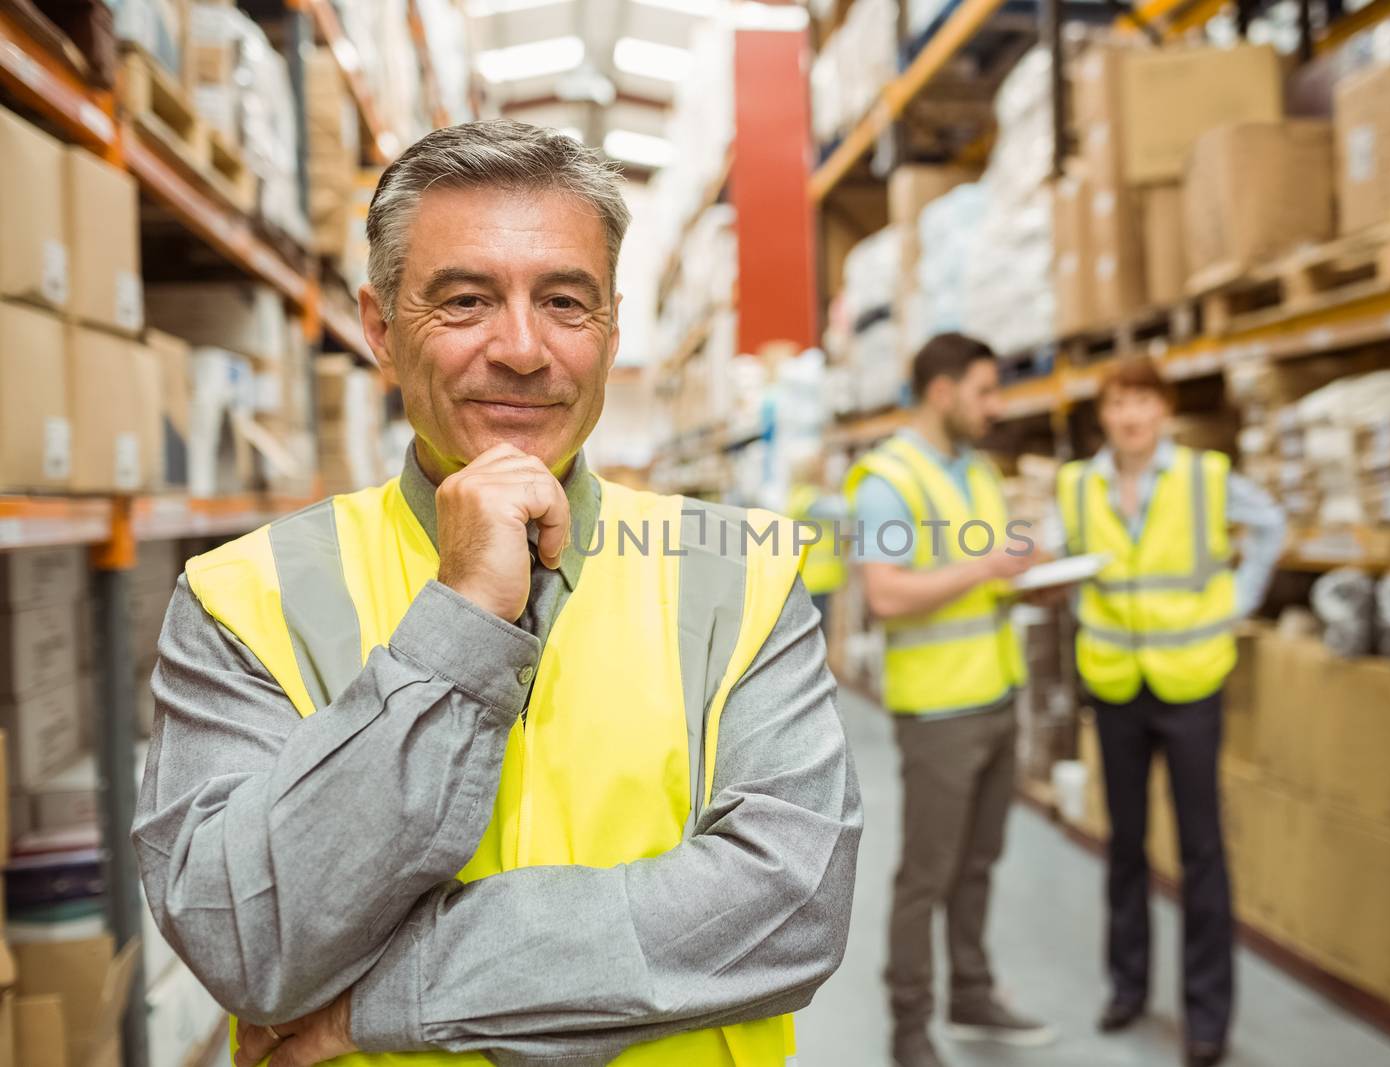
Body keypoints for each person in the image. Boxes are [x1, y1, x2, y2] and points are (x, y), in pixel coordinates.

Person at [132, 121, 862, 1067]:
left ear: (610, 329)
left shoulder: (744, 571)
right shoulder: (242, 597)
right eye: (466, 300)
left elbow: (789, 909)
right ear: (379, 328)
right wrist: (463, 617)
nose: (523, 349)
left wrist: (380, 999)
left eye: (565, 301)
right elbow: (247, 940)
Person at [1056, 356, 1285, 1067]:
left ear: (1164, 410)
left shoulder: (1203, 477)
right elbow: (1061, 560)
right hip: (1117, 681)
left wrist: (1236, 603)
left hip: (1189, 680)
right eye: (1119, 403)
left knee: (1201, 848)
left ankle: (1206, 1016)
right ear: (1104, 414)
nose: (1131, 416)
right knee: (1124, 844)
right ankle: (1127, 987)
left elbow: (1270, 524)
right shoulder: (1076, 486)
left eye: (1143, 402)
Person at [843, 333, 1056, 1067]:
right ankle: (910, 1027)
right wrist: (987, 566)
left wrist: (1027, 574)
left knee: (979, 861)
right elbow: (886, 591)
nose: (995, 407)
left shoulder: (976, 470)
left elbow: (984, 570)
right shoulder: (888, 481)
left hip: (995, 692)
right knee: (926, 875)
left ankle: (971, 993)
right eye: (984, 391)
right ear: (943, 392)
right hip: (937, 710)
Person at [785, 452, 848, 633]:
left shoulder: (800, 495)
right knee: (819, 636)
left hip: (815, 581)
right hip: (814, 582)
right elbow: (844, 509)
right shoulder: (807, 497)